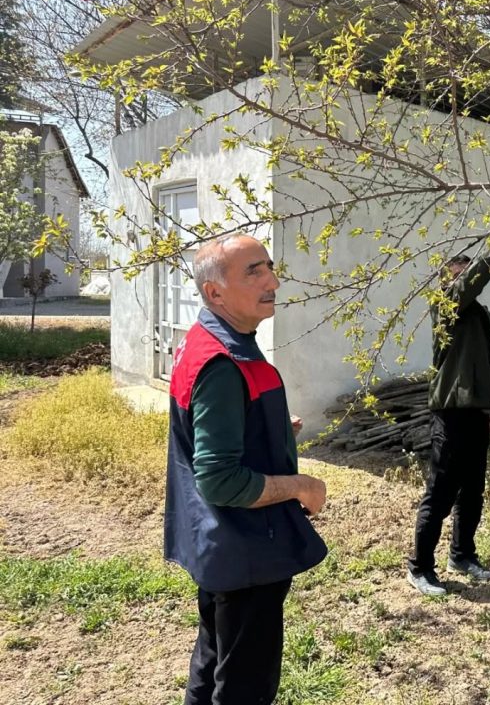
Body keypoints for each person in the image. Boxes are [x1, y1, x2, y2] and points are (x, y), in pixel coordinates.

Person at [165, 233, 328, 705]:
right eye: (253, 271)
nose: (272, 281)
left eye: (269, 267)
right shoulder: (223, 362)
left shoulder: (206, 339)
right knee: (243, 688)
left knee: (214, 657)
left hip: (218, 545)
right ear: (215, 292)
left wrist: (271, 428)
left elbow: (208, 436)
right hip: (246, 551)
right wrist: (301, 485)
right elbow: (218, 478)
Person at [407, 214, 490, 595]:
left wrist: (487, 408)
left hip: (475, 412)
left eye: (467, 272)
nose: (466, 279)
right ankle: (420, 568)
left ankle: (462, 554)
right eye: (460, 274)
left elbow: (483, 365)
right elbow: (473, 281)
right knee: (441, 490)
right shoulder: (447, 304)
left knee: (473, 490)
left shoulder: (476, 312)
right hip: (450, 412)